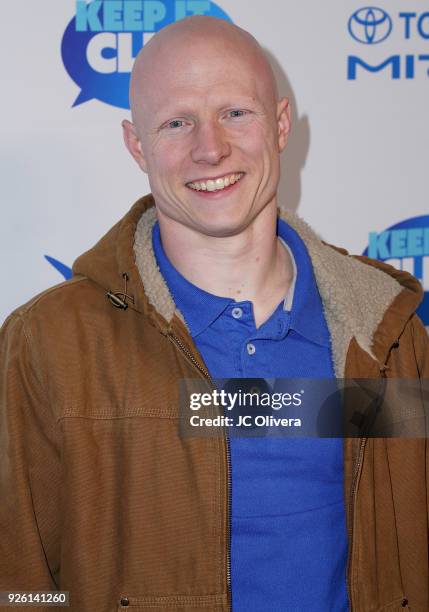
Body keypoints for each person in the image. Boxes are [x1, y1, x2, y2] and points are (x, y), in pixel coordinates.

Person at [0, 15, 428, 612]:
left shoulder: (389, 332)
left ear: (280, 125)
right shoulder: (46, 344)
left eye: (235, 113)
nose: (210, 148)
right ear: (136, 144)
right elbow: (16, 584)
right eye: (177, 122)